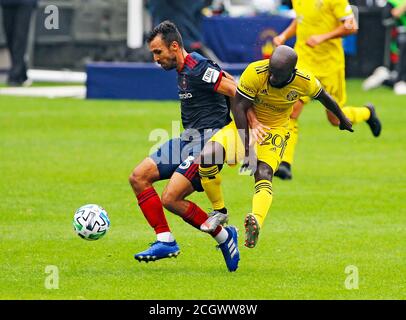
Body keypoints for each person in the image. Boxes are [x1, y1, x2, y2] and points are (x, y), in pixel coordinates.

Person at [198, 45, 353, 248]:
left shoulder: (304, 81)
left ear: (291, 73)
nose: (272, 78)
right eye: (271, 72)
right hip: (243, 126)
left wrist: (342, 118)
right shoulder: (255, 72)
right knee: (208, 156)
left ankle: (256, 222)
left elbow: (325, 97)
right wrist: (248, 150)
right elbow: (239, 107)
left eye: (277, 76)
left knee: (263, 172)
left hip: (276, 130)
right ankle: (219, 211)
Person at [128, 21, 241, 271]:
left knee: (170, 198)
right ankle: (165, 240)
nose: (156, 59)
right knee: (138, 177)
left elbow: (235, 90)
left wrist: (241, 133)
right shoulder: (184, 69)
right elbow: (229, 80)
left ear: (175, 46)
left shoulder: (197, 67)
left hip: (209, 145)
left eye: (158, 52)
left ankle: (223, 236)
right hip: (188, 140)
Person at [272, 0, 382, 180]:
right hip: (304, 62)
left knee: (335, 119)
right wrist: (284, 36)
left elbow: (351, 26)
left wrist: (322, 37)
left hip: (330, 66)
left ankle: (367, 113)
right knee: (292, 110)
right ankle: (285, 163)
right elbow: (300, 20)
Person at [0, 0, 37, 86]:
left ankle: (14, 76)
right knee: (10, 37)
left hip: (26, 2)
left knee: (20, 37)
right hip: (7, 2)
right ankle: (22, 73)